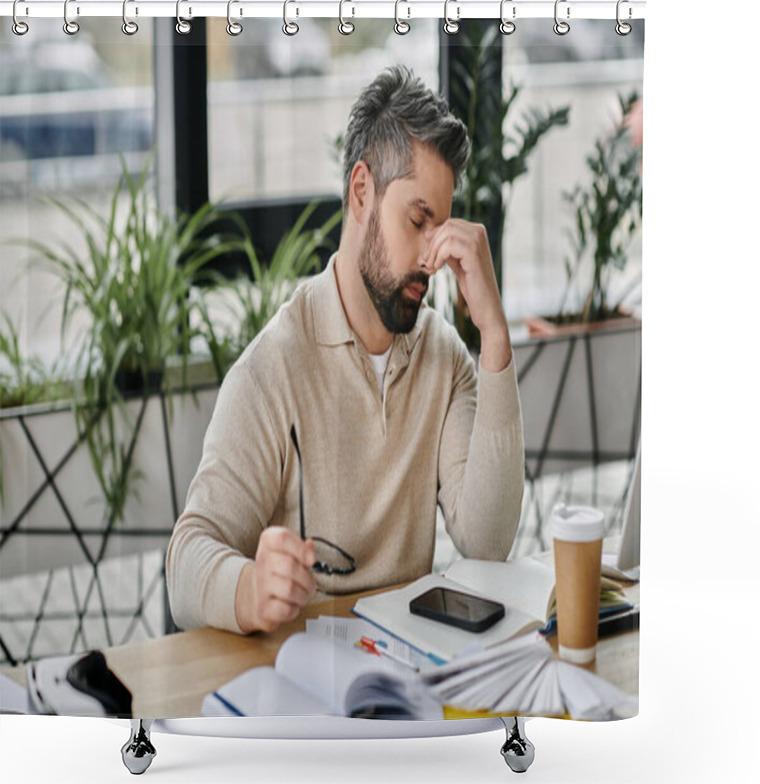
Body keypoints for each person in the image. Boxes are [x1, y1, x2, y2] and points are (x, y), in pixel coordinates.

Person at [166, 65, 525, 635]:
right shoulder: (272, 370)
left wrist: (496, 340)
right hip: (304, 691)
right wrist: (248, 588)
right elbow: (185, 562)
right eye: (417, 221)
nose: (433, 258)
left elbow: (487, 542)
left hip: (408, 685)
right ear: (362, 193)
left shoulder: (445, 356)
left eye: (442, 228)